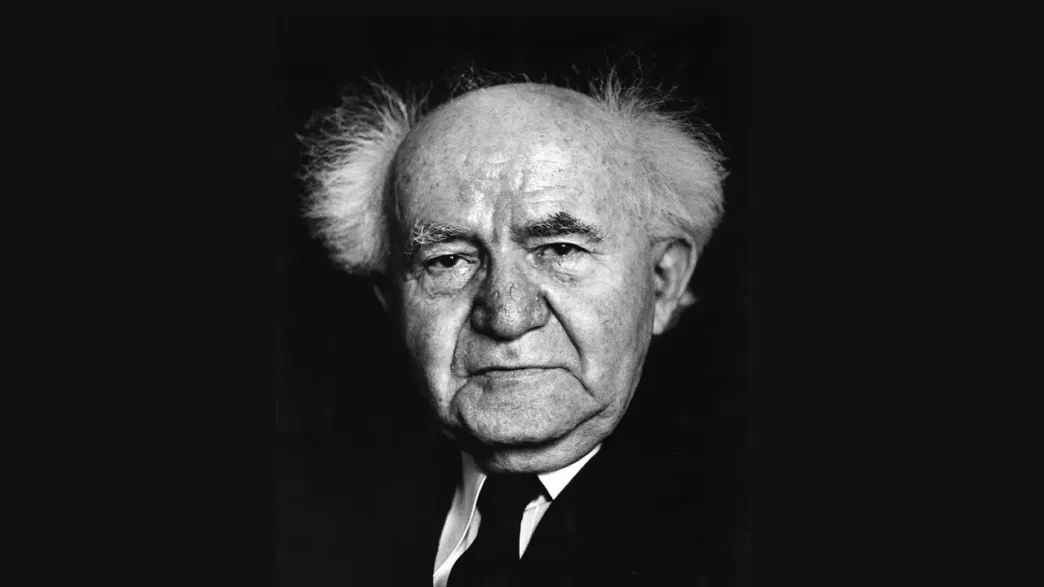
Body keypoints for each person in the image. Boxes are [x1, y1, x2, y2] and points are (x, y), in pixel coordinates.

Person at [279, 74, 740, 586]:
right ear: (390, 300)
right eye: (448, 260)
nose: (507, 316)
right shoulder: (306, 518)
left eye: (560, 249)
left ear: (662, 280)